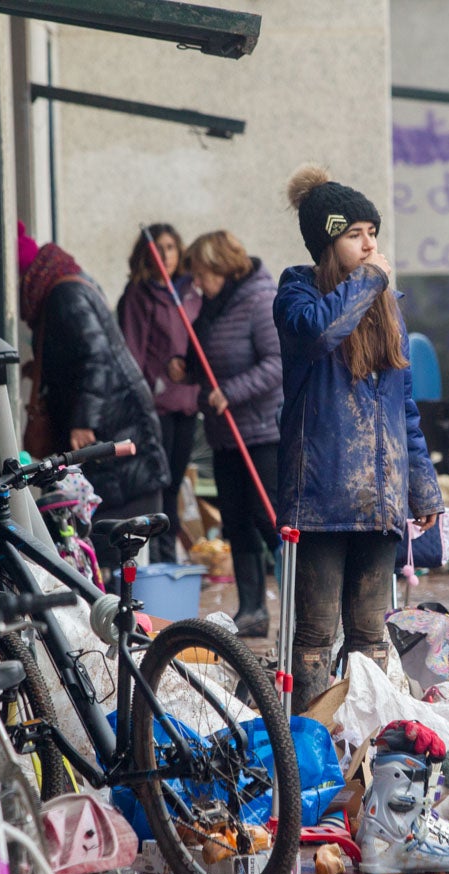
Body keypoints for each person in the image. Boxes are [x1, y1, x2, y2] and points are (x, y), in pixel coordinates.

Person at [274, 165, 443, 712]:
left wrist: (423, 486)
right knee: (315, 638)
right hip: (323, 497)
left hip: (380, 500)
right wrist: (370, 281)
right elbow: (320, 331)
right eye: (355, 235)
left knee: (371, 637)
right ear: (328, 242)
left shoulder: (385, 305)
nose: (370, 245)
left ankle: (365, 748)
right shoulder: (296, 292)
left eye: (373, 232)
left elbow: (406, 408)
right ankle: (308, 746)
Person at [18, 223, 168, 567]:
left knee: (120, 544)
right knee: (122, 543)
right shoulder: (71, 286)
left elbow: (96, 356)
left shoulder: (64, 296)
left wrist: (85, 418)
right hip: (121, 422)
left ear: (27, 277)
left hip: (114, 428)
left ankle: (127, 614)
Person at [178, 230, 282, 638]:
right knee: (236, 522)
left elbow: (277, 364)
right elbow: (204, 356)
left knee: (267, 519)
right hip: (225, 434)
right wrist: (183, 368)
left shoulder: (259, 300)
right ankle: (252, 609)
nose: (197, 283)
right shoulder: (211, 307)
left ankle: (298, 603)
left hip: (260, 432)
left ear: (221, 266)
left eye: (201, 273)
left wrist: (232, 392)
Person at [116, 223, 201, 564]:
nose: (164, 255)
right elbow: (132, 352)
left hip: (189, 400)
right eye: (157, 248)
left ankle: (169, 553)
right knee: (160, 482)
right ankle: (161, 556)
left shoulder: (191, 291)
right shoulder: (139, 295)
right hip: (157, 405)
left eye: (170, 247)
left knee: (176, 479)